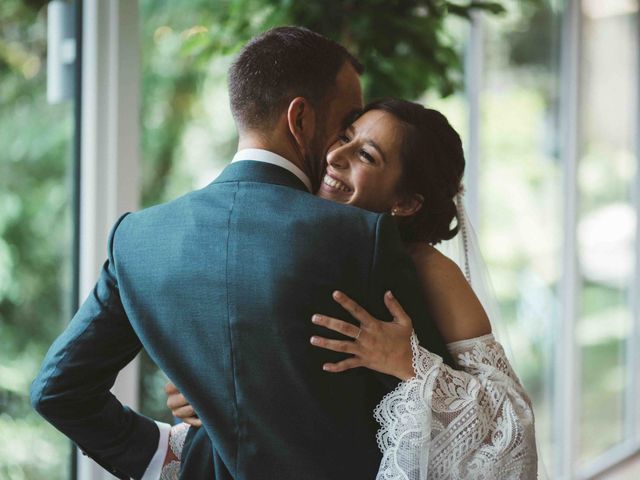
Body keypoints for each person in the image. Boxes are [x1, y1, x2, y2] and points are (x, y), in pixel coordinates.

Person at [30, 27, 453, 480]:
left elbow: (58, 390)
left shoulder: (138, 238)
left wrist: (166, 457)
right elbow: (437, 424)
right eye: (345, 123)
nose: (338, 151)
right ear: (301, 120)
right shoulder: (363, 237)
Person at [163, 99, 539, 479]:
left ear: (406, 202)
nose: (335, 155)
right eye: (344, 137)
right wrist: (204, 387)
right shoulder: (283, 236)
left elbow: (512, 423)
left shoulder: (431, 270)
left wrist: (409, 363)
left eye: (365, 155)